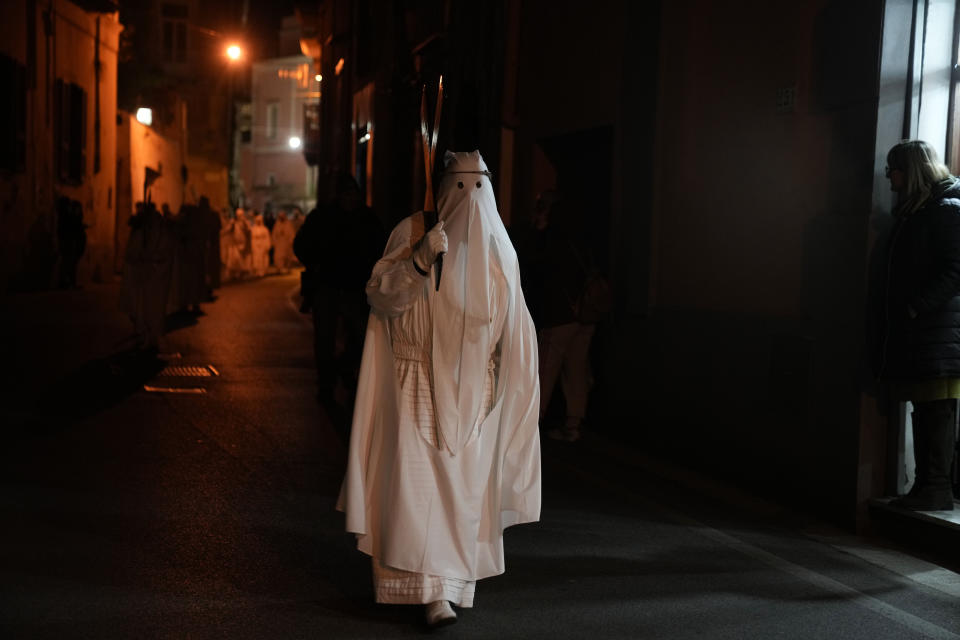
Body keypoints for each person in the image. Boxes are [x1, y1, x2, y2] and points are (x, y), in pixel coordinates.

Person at [338, 151, 542, 628]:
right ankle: (420, 590)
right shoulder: (413, 232)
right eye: (460, 186)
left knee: (457, 494)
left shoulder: (497, 246)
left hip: (472, 391)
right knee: (412, 487)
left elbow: (514, 328)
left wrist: (502, 390)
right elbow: (380, 295)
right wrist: (418, 262)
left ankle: (445, 592)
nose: (469, 199)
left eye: (479, 188)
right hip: (412, 383)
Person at [875, 140, 960, 511]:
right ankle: (926, 487)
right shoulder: (920, 210)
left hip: (938, 332)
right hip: (927, 332)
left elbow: (956, 269)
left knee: (936, 409)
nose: (888, 177)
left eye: (892, 169)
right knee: (926, 408)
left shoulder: (944, 210)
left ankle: (936, 488)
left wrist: (916, 306)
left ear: (910, 171)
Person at [294, 173, 385, 421]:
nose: (349, 198)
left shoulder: (366, 219)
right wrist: (316, 265)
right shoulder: (323, 217)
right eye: (345, 194)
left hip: (355, 289)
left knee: (358, 337)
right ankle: (327, 382)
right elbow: (300, 245)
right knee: (325, 338)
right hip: (328, 287)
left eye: (352, 194)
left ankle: (343, 368)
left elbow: (380, 248)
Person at [517, 190, 597, 443]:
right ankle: (573, 424)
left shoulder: (551, 235)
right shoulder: (582, 233)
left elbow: (534, 262)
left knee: (545, 370)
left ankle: (530, 427)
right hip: (585, 313)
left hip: (559, 314)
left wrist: (537, 228)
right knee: (576, 370)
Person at [121, 201, 174, 353]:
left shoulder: (160, 232)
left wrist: (152, 260)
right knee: (141, 307)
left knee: (153, 308)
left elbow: (163, 253)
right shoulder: (141, 231)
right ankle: (145, 335)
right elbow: (133, 252)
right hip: (143, 276)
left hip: (155, 277)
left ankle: (152, 337)